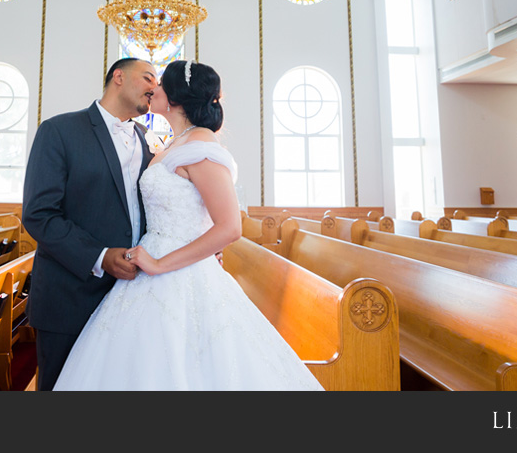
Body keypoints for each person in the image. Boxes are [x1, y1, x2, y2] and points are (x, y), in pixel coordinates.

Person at [52, 59, 324, 391]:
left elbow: (229, 226)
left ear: (178, 96)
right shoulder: (171, 143)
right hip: (147, 267)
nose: (155, 89)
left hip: (175, 271)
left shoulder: (201, 145)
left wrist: (159, 263)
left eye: (162, 83)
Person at [21, 57, 157, 391]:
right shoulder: (59, 130)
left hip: (131, 295)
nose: (155, 88)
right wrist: (99, 256)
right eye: (149, 77)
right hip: (70, 295)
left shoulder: (147, 139)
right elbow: (39, 214)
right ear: (119, 77)